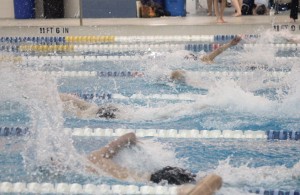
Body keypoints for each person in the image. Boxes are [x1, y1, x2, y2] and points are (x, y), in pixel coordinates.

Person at [86, 132, 223, 195]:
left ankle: (209, 182)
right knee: (198, 181)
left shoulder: (93, 161)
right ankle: (210, 181)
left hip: (156, 179)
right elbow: (129, 136)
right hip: (165, 172)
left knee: (188, 188)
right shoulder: (98, 159)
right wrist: (129, 141)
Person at [170, 36, 242, 82]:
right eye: (187, 57)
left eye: (190, 56)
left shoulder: (203, 59)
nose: (190, 57)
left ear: (194, 57)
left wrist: (230, 44)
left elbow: (218, 51)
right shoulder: (196, 63)